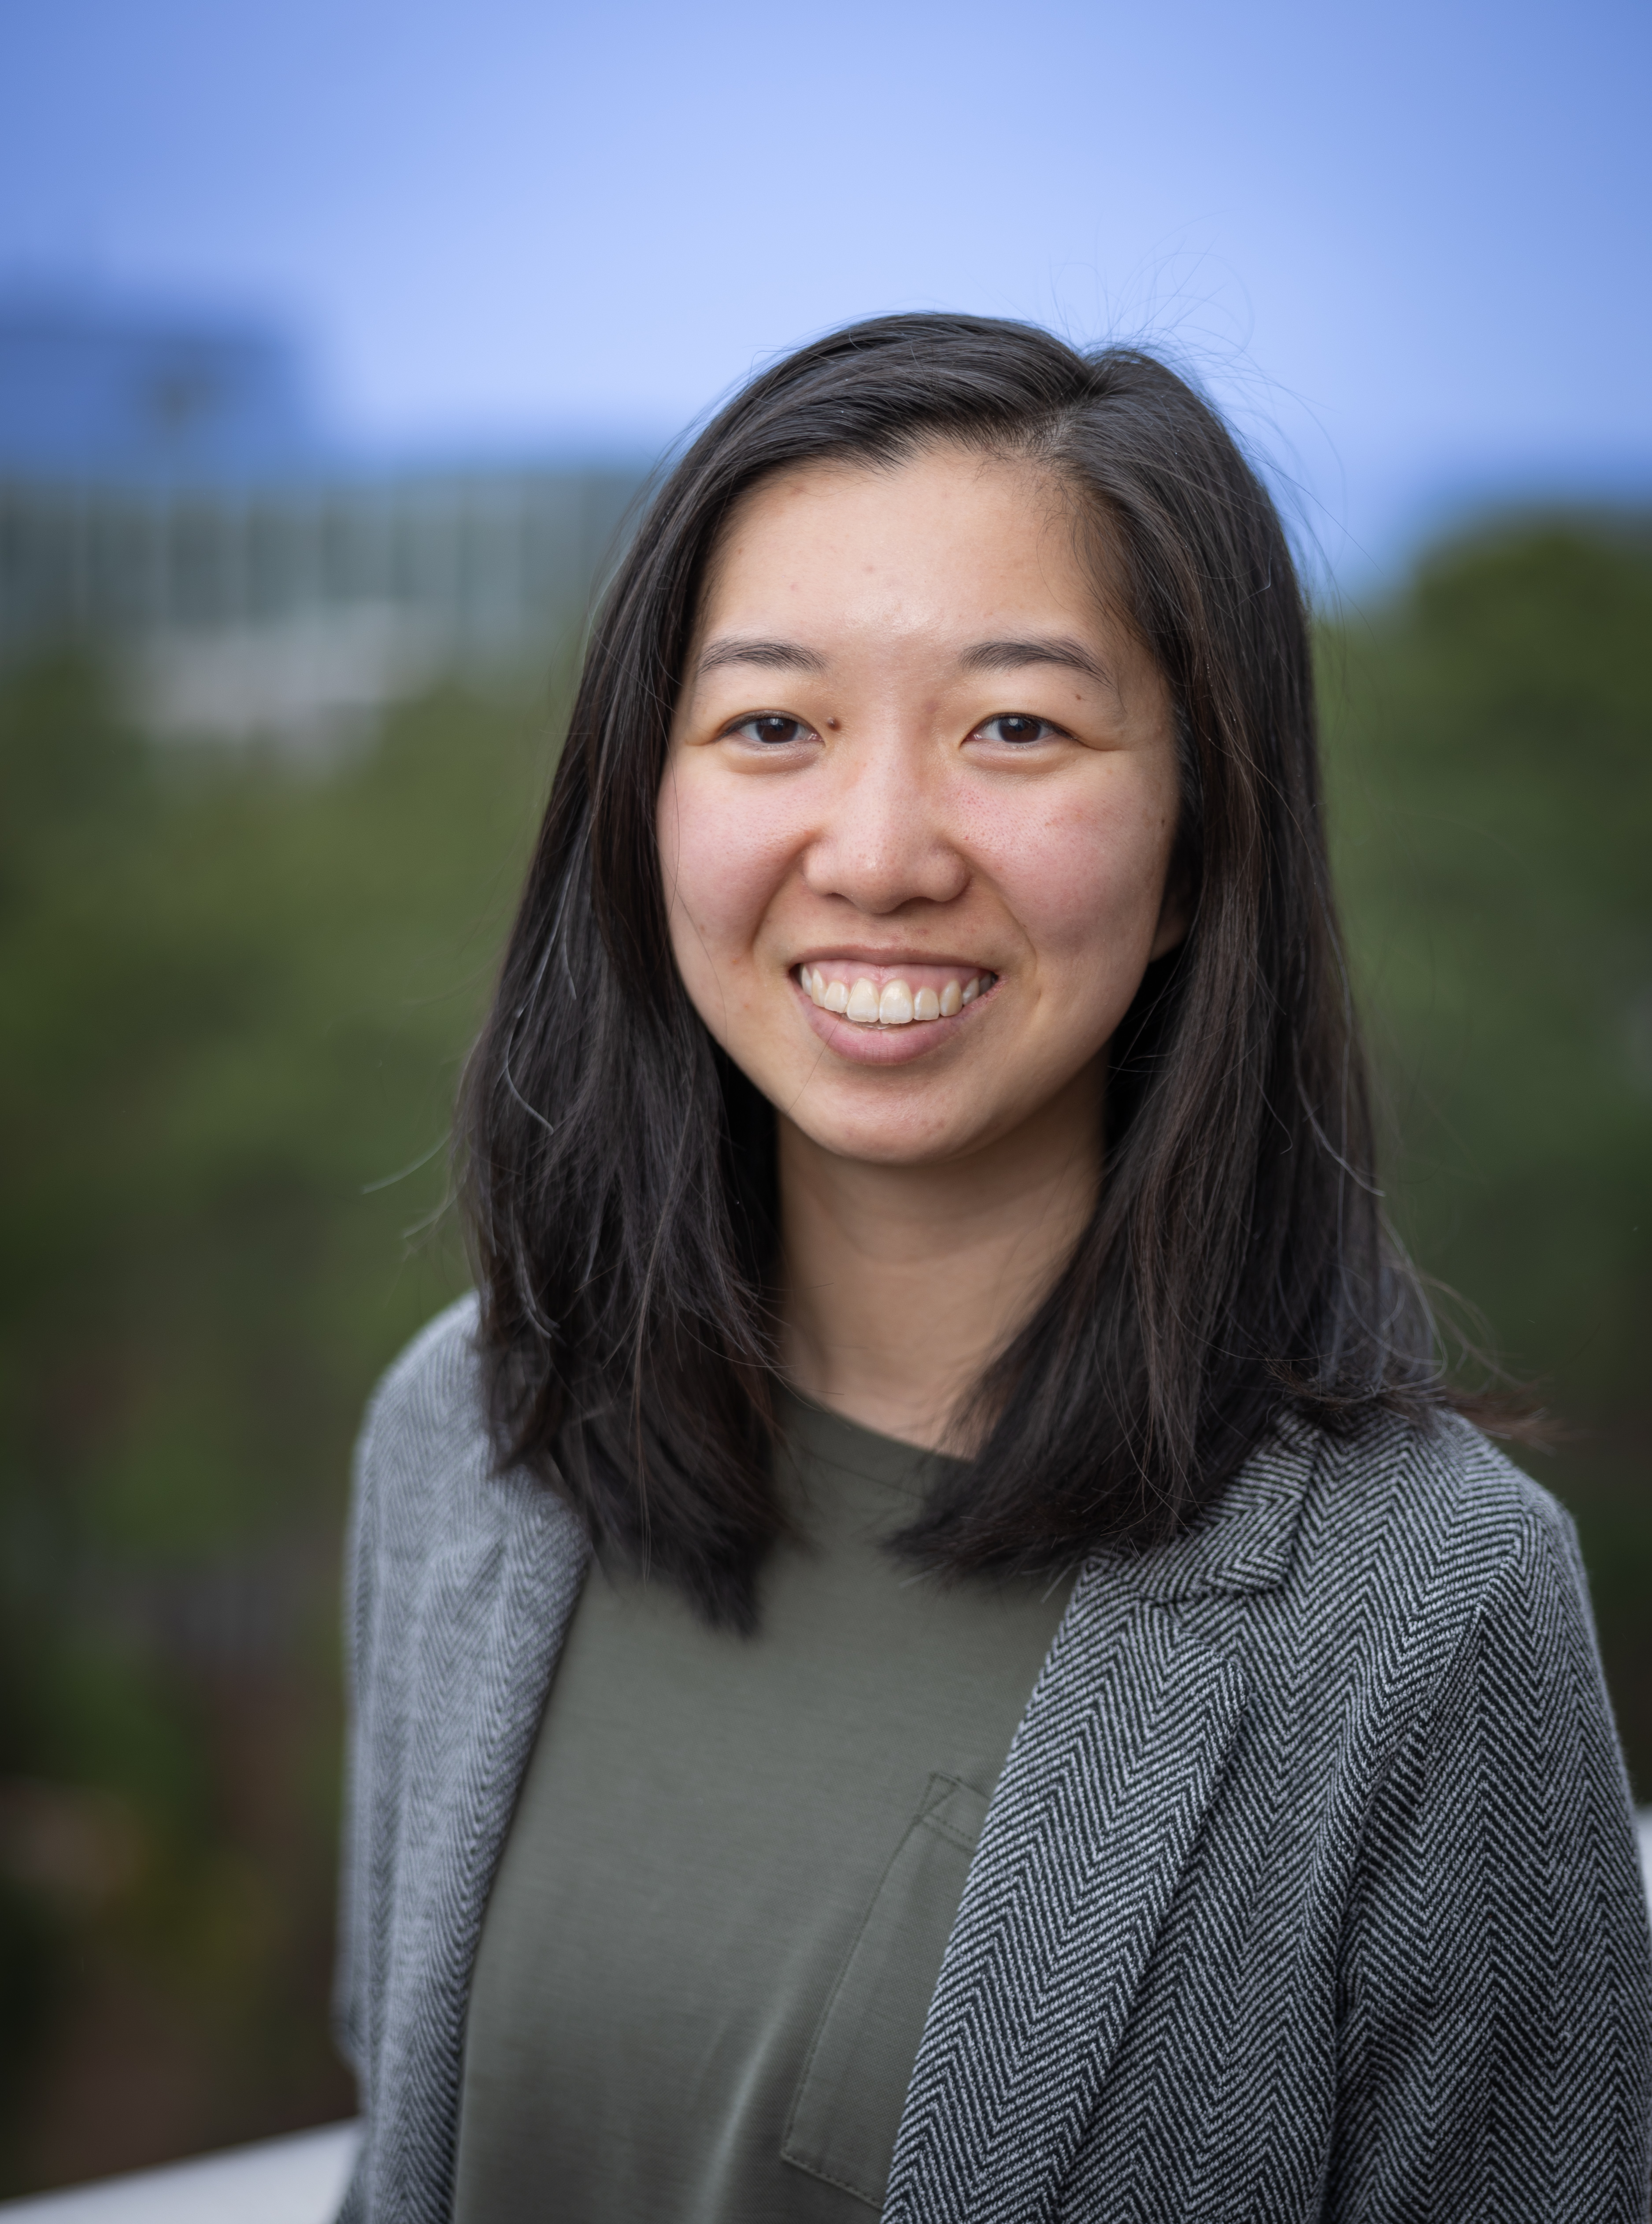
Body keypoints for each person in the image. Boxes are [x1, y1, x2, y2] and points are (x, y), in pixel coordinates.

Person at [331, 316, 1652, 2224]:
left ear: (1203, 837)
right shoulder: (468, 1433)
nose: (873, 852)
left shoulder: (1424, 1613)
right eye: (770, 723)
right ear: (645, 805)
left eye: (1013, 726)